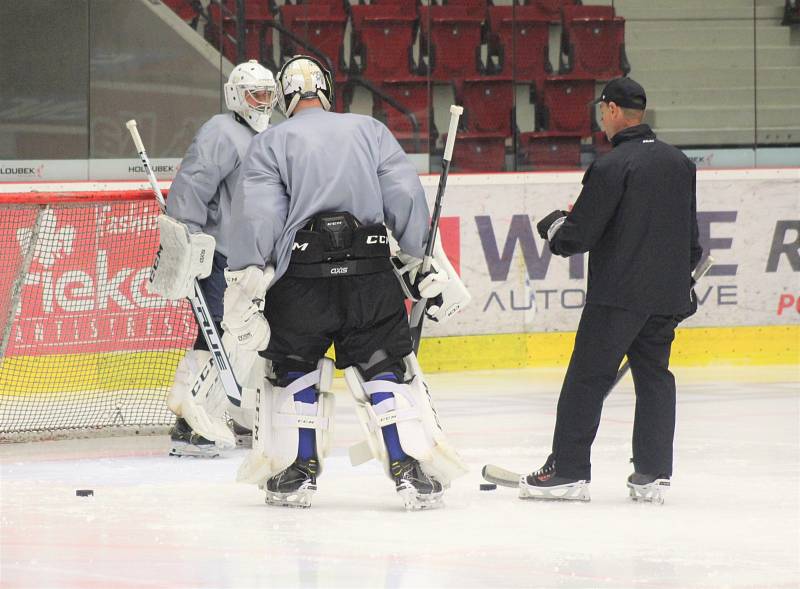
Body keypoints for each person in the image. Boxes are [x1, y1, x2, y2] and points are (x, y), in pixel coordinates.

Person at [223, 55, 470, 509]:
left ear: (284, 95)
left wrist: (246, 280)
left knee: (294, 368)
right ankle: (407, 465)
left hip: (301, 282)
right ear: (326, 89)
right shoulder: (370, 130)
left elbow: (259, 217)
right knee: (384, 366)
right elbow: (404, 197)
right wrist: (420, 259)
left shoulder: (271, 142)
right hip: (371, 275)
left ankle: (298, 471)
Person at [526, 77, 702, 503]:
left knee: (586, 379)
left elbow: (578, 236)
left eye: (601, 110)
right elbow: (692, 241)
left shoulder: (612, 166)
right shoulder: (679, 163)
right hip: (665, 297)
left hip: (618, 297)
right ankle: (653, 471)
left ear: (611, 110)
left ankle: (567, 470)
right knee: (655, 378)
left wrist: (554, 230)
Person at [147, 60, 278, 457]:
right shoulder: (221, 132)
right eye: (256, 94)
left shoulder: (271, 136)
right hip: (223, 256)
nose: (263, 101)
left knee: (247, 337)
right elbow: (192, 185)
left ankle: (233, 411)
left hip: (257, 259)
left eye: (269, 94)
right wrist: (184, 241)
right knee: (219, 335)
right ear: (236, 96)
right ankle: (191, 420)